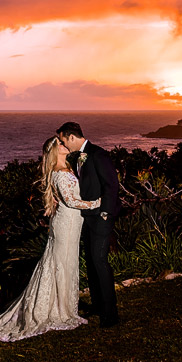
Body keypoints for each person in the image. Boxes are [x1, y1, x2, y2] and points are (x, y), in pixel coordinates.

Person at [0, 136, 100, 341]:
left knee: (65, 264)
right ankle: (59, 311)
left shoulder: (65, 170)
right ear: (55, 151)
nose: (65, 146)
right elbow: (72, 201)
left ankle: (63, 307)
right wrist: (96, 204)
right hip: (66, 224)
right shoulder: (59, 173)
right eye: (61, 144)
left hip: (70, 224)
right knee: (61, 263)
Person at [56, 121, 122, 327]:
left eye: (63, 140)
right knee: (92, 263)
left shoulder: (97, 154)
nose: (63, 144)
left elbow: (112, 186)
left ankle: (110, 315)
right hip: (87, 217)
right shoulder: (78, 157)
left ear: (72, 137)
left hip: (101, 216)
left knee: (100, 262)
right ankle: (98, 305)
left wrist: (105, 213)